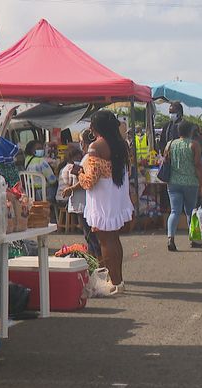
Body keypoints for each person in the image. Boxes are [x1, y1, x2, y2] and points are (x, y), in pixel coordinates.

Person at [75, 111, 133, 293]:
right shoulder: (121, 144)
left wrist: (78, 173)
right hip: (116, 194)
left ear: (97, 127)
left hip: (102, 198)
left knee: (105, 242)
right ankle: (119, 279)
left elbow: (90, 181)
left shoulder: (95, 147)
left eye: (92, 124)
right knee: (114, 239)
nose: (90, 128)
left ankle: (114, 282)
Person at [165, 121, 202, 251]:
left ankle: (170, 238)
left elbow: (165, 160)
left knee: (174, 211)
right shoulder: (194, 144)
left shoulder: (170, 144)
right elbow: (198, 165)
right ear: (190, 131)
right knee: (190, 212)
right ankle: (194, 239)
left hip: (173, 183)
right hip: (190, 183)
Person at [61, 130, 101, 259]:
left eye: (81, 141)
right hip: (84, 201)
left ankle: (98, 261)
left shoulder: (88, 158)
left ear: (83, 143)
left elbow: (85, 180)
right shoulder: (88, 156)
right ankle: (95, 260)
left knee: (90, 235)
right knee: (89, 235)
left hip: (83, 202)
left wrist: (71, 188)